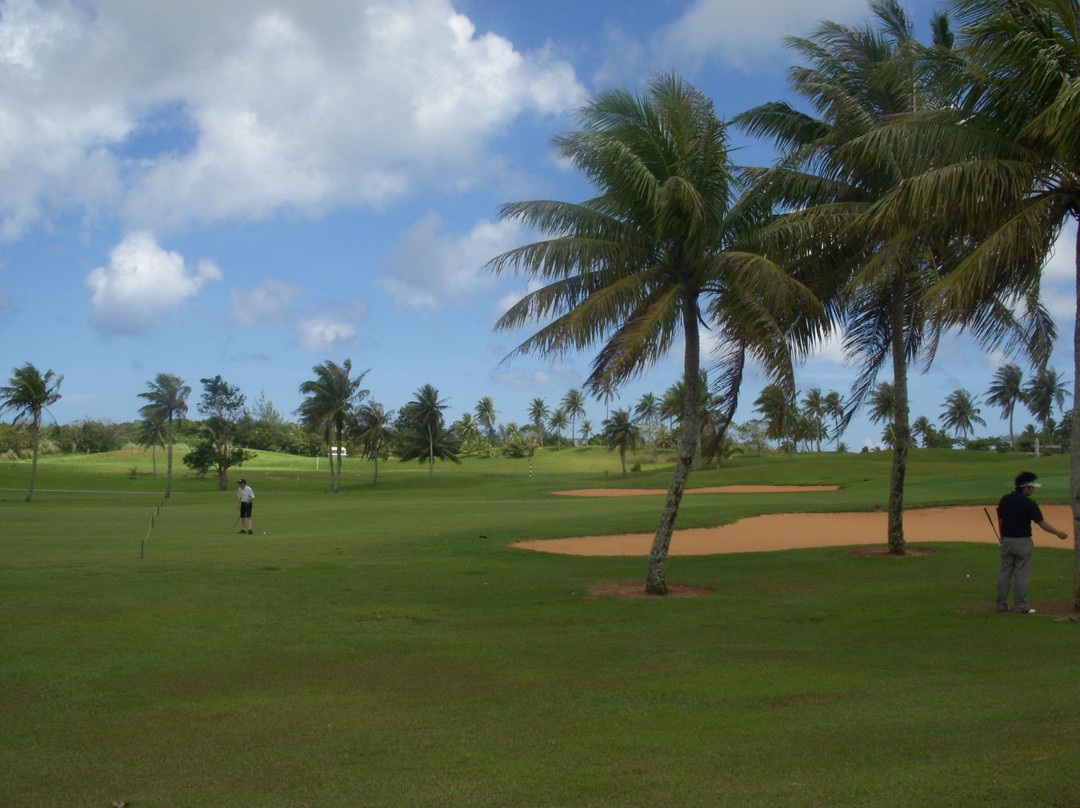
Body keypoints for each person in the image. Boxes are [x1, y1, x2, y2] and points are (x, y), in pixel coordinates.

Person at [996, 471, 1067, 614]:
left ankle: (1001, 604)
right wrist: (1058, 533)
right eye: (1032, 487)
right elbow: (1041, 523)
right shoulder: (1029, 503)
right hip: (1022, 542)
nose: (1033, 490)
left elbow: (1001, 520)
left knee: (1005, 573)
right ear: (1026, 487)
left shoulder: (1005, 499)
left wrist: (1003, 537)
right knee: (1022, 574)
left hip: (1007, 540)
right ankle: (1022, 606)